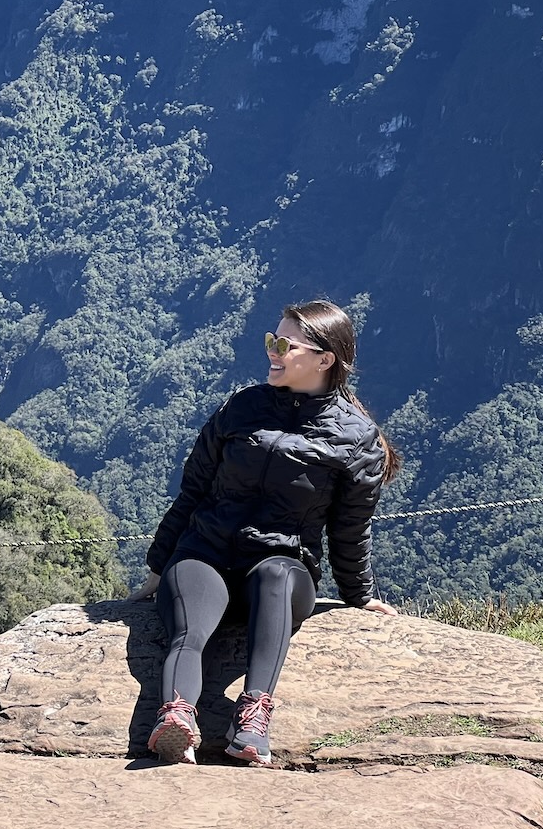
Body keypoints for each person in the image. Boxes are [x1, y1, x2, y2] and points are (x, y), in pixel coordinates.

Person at [128, 300, 400, 766]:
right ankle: (176, 718)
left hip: (280, 568)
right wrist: (159, 567)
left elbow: (350, 528)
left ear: (324, 359)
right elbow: (192, 492)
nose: (272, 352)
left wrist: (360, 593)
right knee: (188, 634)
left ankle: (252, 719)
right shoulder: (242, 407)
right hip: (206, 554)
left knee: (276, 576)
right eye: (270, 340)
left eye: (284, 344)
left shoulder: (357, 439)